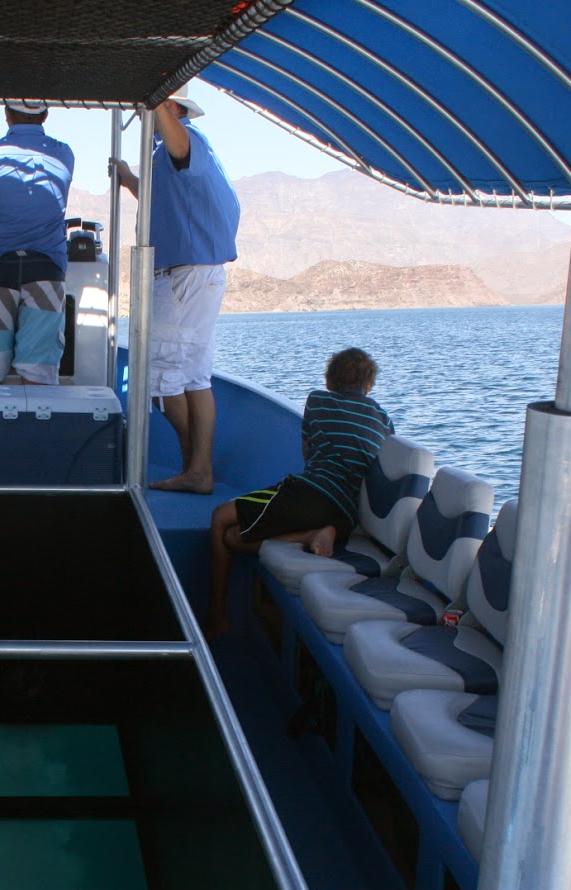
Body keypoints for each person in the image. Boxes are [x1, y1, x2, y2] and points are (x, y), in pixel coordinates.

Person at [205, 347, 393, 637]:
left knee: (220, 518)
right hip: (347, 513)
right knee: (232, 537)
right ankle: (316, 532)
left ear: (330, 380)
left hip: (312, 492)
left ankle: (216, 617)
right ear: (369, 385)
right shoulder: (383, 418)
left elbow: (308, 455)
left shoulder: (318, 400)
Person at [114, 90, 241, 493]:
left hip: (182, 277)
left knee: (162, 379)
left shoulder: (186, 141)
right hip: (200, 275)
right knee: (193, 379)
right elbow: (163, 198)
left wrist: (151, 95)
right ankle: (197, 469)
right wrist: (128, 178)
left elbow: (178, 144)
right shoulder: (170, 160)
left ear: (171, 110)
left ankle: (195, 468)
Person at [0, 103, 75, 385]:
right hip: (46, 268)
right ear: (45, 114)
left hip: (0, 267)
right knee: (38, 373)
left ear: (6, 114)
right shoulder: (64, 153)